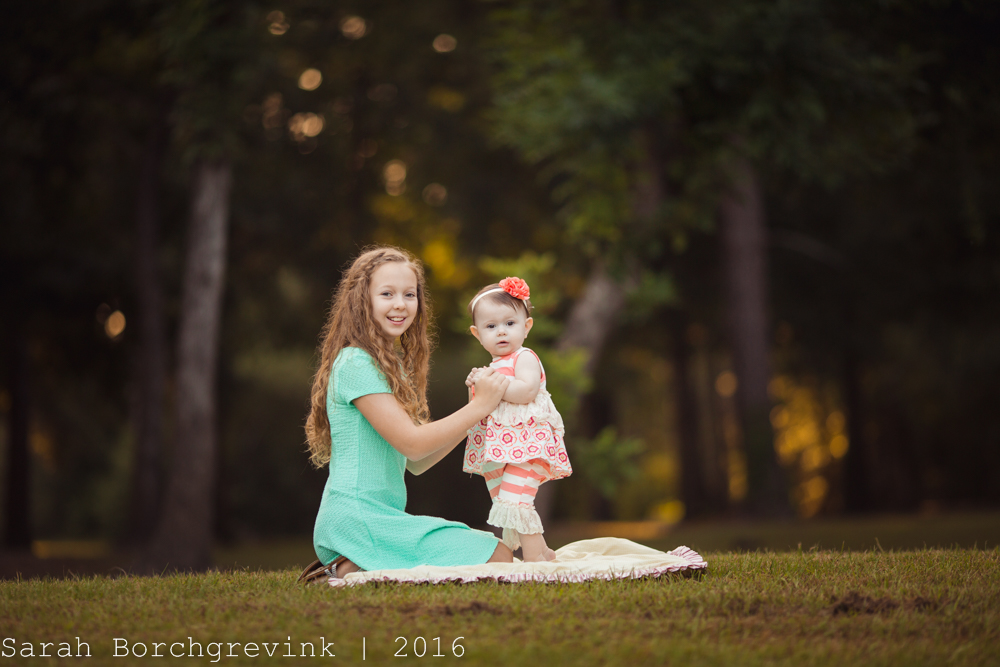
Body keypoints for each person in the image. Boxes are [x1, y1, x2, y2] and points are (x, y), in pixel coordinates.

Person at [302, 246, 514, 581]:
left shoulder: (387, 364)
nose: (400, 304)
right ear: (361, 300)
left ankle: (357, 564)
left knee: (496, 549)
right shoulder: (356, 362)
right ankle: (348, 564)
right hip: (356, 520)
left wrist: (477, 414)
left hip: (379, 519)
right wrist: (479, 406)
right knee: (498, 555)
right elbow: (413, 444)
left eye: (409, 294)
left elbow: (417, 462)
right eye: (387, 294)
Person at [463, 277, 572, 562]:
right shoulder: (491, 368)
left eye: (510, 323)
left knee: (515, 500)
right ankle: (544, 552)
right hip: (499, 449)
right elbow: (479, 409)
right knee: (508, 501)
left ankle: (535, 561)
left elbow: (526, 391)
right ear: (477, 334)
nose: (501, 331)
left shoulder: (524, 358)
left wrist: (491, 386)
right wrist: (476, 386)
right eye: (491, 326)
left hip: (528, 444)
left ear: (526, 326)